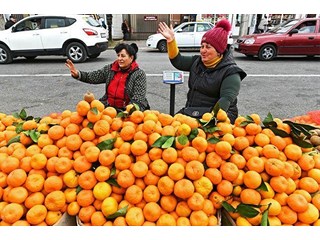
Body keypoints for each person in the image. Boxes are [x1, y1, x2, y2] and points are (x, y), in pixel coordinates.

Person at [158, 19, 247, 123]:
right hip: (193, 111)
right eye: (202, 46)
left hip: (219, 117)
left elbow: (224, 102)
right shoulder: (197, 62)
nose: (203, 50)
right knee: (172, 125)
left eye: (208, 47)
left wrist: (206, 123)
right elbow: (178, 61)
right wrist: (171, 40)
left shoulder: (231, 73)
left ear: (219, 51)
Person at [65, 43, 150, 112]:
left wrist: (125, 113)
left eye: (123, 56)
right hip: (109, 108)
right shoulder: (110, 69)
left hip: (129, 111)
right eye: (118, 55)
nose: (119, 58)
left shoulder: (139, 74)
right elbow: (93, 77)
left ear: (131, 58)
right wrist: (77, 74)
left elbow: (138, 99)